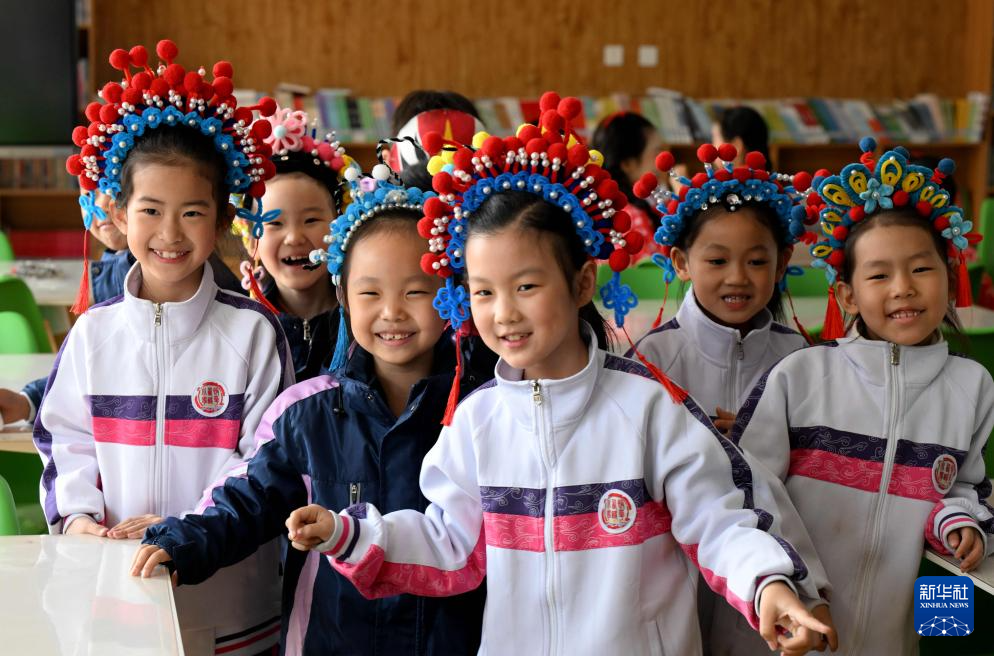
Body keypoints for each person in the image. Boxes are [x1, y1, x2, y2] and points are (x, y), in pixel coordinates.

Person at [282, 92, 837, 656]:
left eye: (526, 286)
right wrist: (350, 533)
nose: (504, 313)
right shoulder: (478, 420)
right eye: (483, 292)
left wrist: (768, 585)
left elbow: (718, 518)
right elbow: (449, 541)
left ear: (582, 283)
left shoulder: (649, 407)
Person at [132, 166, 489, 655]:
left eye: (415, 292)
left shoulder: (479, 411)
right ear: (343, 296)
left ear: (449, 295)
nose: (391, 312)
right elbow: (246, 497)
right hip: (329, 641)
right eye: (370, 293)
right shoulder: (307, 412)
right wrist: (181, 543)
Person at [40, 39, 292, 655]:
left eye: (193, 213)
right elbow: (64, 439)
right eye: (150, 210)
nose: (170, 233)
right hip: (112, 591)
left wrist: (189, 531)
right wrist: (79, 520)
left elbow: (265, 460)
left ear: (222, 218)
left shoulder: (253, 332)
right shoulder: (93, 334)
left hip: (228, 608)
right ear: (119, 212)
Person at [733, 139, 992, 654]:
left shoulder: (972, 386)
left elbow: (969, 486)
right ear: (847, 294)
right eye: (879, 274)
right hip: (796, 628)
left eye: (921, 269)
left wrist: (963, 523)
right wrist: (794, 586)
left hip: (898, 636)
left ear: (949, 277)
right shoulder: (802, 376)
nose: (903, 288)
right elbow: (750, 488)